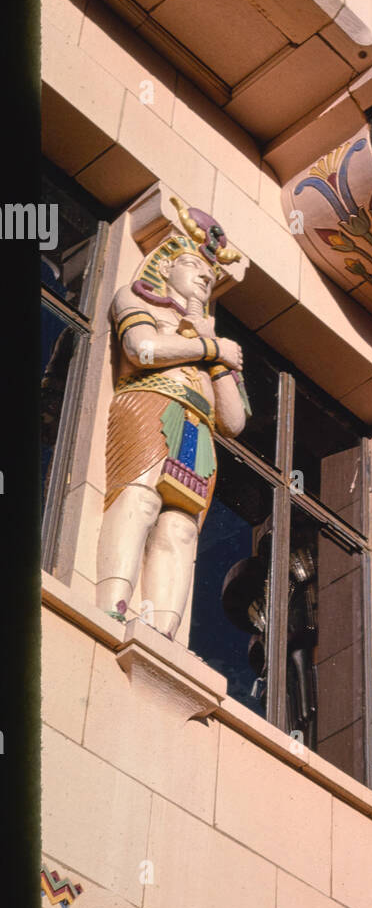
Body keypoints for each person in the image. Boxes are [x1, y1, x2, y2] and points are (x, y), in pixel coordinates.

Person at [96, 199, 250, 642]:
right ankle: (112, 607)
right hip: (150, 406)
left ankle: (162, 633)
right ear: (164, 266)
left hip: (198, 429)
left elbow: (234, 422)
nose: (204, 275)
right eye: (192, 264)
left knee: (180, 528)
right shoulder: (138, 300)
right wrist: (209, 350)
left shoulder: (207, 336)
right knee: (140, 501)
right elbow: (142, 351)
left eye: (210, 273)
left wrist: (217, 359)